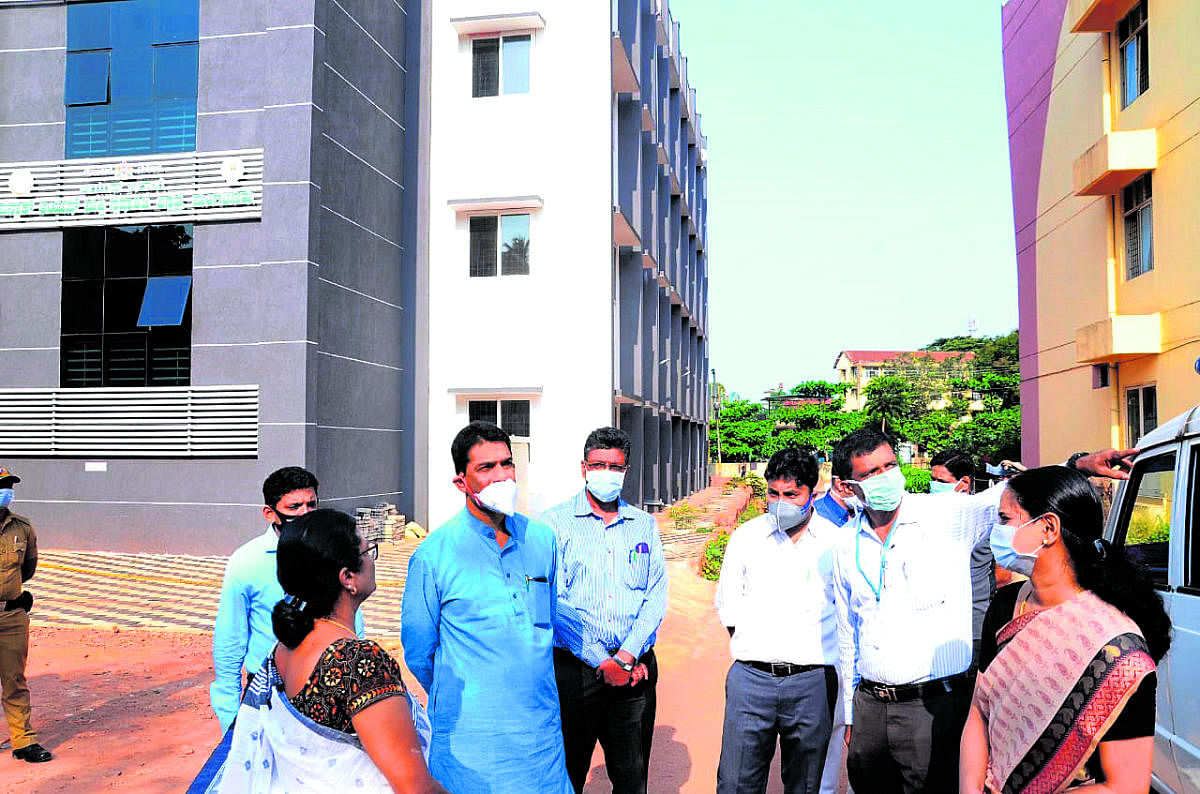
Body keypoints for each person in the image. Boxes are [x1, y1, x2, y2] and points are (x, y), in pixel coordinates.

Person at [831, 428, 1136, 794]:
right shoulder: (844, 543)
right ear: (848, 485)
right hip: (870, 708)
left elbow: (1015, 495)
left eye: (890, 466)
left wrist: (1077, 464)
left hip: (936, 707)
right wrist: (851, 713)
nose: (886, 479)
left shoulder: (946, 514)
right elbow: (848, 632)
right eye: (871, 474)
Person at [960, 467, 1170, 793]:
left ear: (1047, 528)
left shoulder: (1115, 647)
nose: (995, 532)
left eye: (1005, 519)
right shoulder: (1005, 606)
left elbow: (1126, 786)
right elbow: (978, 710)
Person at [209, 509, 443, 793]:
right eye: (368, 550)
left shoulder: (283, 650)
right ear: (348, 577)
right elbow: (416, 788)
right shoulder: (358, 663)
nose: (372, 559)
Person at [401, 421, 573, 793]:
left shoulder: (542, 539)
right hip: (470, 744)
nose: (502, 477)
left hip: (539, 740)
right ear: (461, 482)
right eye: (486, 468)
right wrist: (474, 693)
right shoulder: (434, 556)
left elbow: (546, 625)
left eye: (507, 464)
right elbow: (418, 653)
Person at [543, 426, 668, 794]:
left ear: (626, 471)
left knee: (631, 777)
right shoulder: (554, 525)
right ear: (584, 468)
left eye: (615, 467)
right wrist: (603, 660)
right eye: (599, 464)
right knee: (568, 775)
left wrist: (626, 656)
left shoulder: (643, 525)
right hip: (576, 670)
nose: (607, 473)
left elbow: (655, 595)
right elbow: (554, 602)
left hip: (635, 672)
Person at [715, 448, 841, 794]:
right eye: (773, 493)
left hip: (812, 683)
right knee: (736, 782)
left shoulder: (835, 543)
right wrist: (758, 648)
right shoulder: (747, 538)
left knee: (805, 784)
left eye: (791, 494)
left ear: (812, 493)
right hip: (751, 680)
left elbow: (845, 613)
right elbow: (729, 606)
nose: (780, 502)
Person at [210, 466, 365, 730]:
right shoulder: (246, 562)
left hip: (329, 686)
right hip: (268, 691)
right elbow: (230, 641)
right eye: (294, 507)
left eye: (311, 504)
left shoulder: (334, 554)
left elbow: (352, 622)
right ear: (270, 513)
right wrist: (230, 718)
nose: (305, 513)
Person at [0, 467, 51, 763]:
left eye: (8, 485)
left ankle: (23, 741)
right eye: (2, 485)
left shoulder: (23, 527)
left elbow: (27, 570)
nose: (7, 491)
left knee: (15, 680)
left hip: (11, 617)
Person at [929, 450, 996, 666]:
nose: (934, 486)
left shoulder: (984, 517)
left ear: (964, 483)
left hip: (971, 628)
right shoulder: (931, 515)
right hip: (936, 627)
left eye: (940, 481)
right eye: (932, 480)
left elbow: (1002, 577)